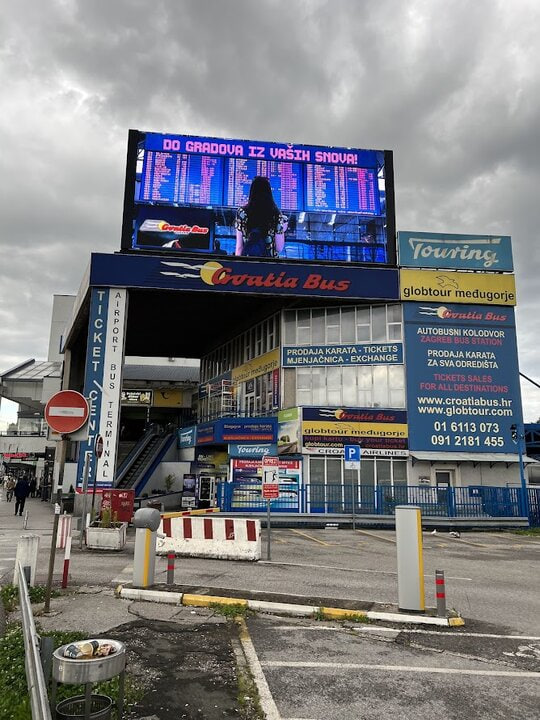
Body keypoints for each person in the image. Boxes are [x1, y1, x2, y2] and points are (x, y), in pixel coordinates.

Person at [234, 176, 288, 258]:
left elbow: (239, 247)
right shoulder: (276, 214)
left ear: (252, 192)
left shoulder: (242, 212)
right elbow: (279, 248)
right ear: (269, 192)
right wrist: (282, 230)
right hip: (269, 263)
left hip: (248, 262)